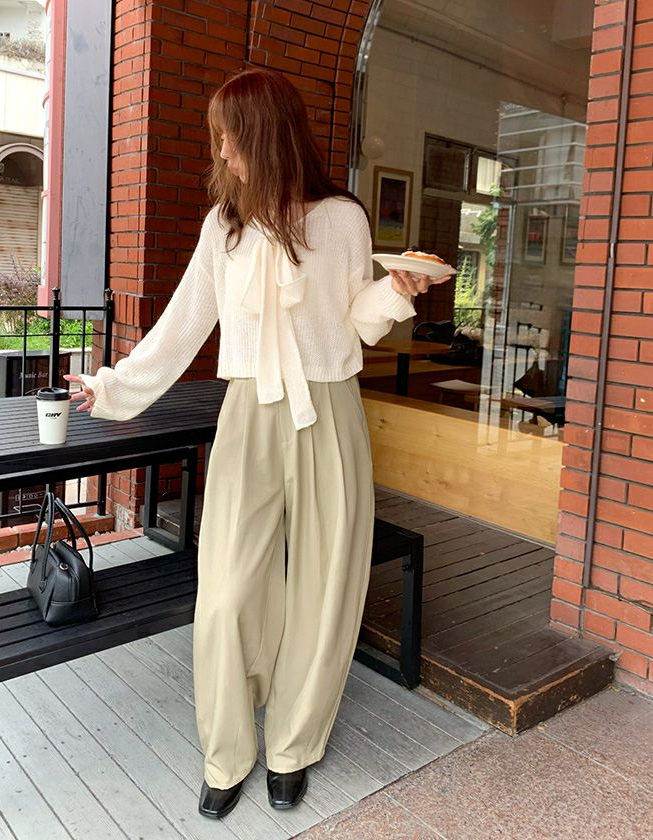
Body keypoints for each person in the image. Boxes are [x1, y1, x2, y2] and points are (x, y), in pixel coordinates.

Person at [65, 68, 452, 820]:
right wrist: (113, 388)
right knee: (227, 592)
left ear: (266, 134)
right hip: (249, 413)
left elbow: (355, 319)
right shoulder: (225, 226)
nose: (221, 150)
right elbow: (183, 324)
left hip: (328, 408)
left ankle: (292, 748)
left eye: (229, 135)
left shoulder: (341, 219)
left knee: (326, 585)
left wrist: (395, 292)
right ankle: (227, 752)